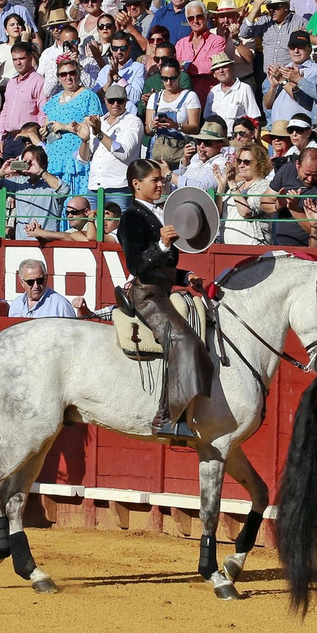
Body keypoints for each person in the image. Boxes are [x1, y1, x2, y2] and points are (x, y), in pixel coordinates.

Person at [117, 158, 210, 438]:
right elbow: (136, 266)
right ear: (136, 184)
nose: (161, 184)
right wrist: (162, 243)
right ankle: (165, 417)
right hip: (147, 296)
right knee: (183, 340)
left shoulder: (156, 213)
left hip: (161, 291)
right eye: (154, 180)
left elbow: (162, 268)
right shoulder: (131, 217)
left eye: (162, 179)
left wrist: (185, 277)